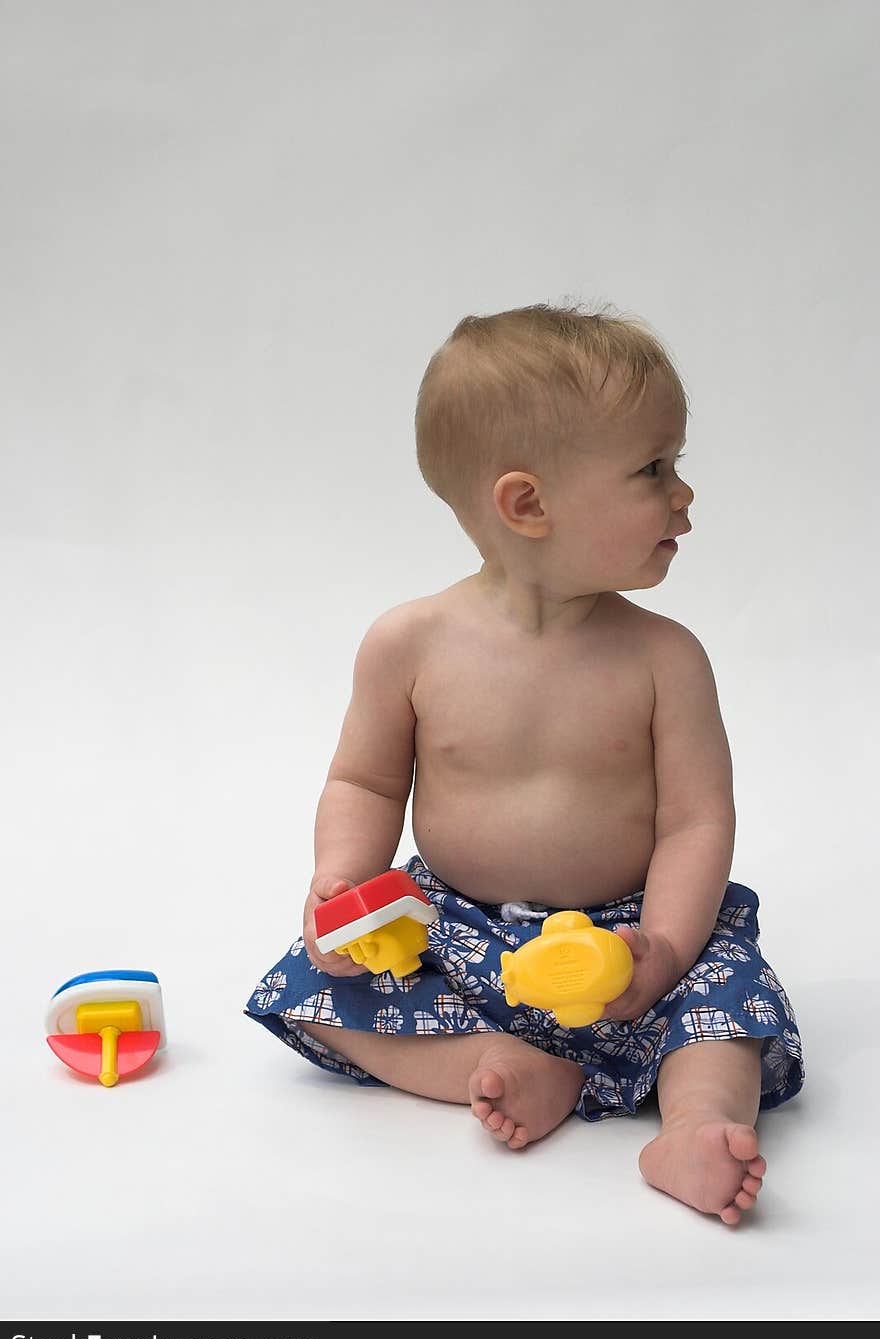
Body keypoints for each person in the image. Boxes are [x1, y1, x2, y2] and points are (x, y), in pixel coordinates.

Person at [245, 303, 803, 1226]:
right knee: (312, 991)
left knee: (728, 1001)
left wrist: (660, 952)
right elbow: (366, 782)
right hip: (457, 929)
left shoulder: (666, 658)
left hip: (630, 934)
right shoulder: (410, 643)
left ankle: (694, 1125)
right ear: (529, 503)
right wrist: (341, 882)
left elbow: (696, 822)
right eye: (653, 468)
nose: (683, 495)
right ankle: (496, 1066)